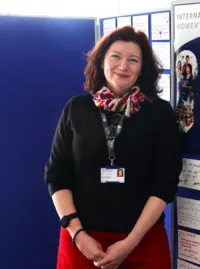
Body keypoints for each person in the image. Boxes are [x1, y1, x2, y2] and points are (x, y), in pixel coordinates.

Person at [44, 26, 182, 269]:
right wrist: (77, 234)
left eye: (133, 60)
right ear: (101, 61)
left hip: (143, 241)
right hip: (82, 241)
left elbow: (165, 183)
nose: (123, 66)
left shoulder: (159, 113)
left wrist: (130, 242)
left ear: (142, 68)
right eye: (115, 56)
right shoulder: (76, 109)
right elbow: (56, 174)